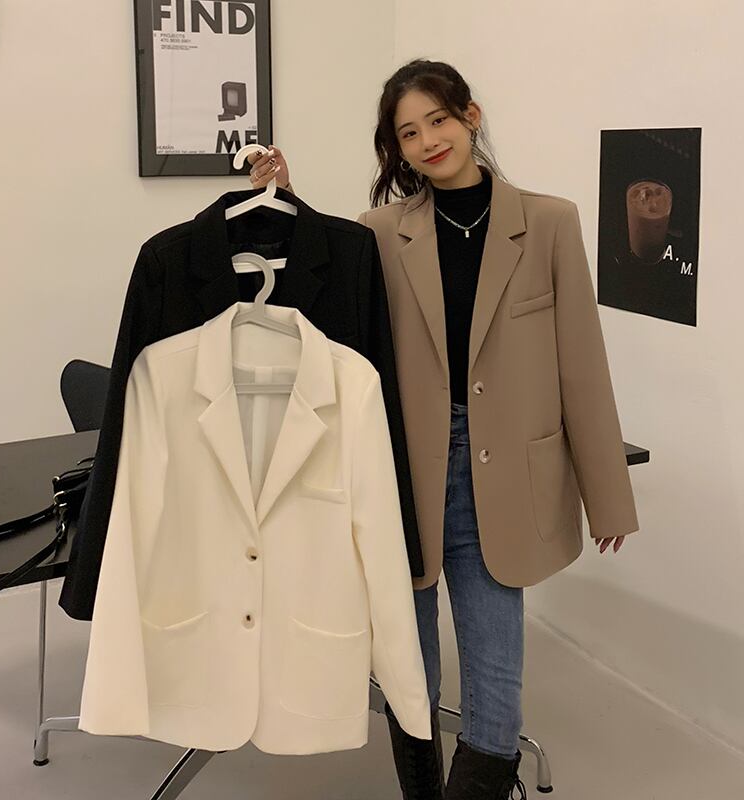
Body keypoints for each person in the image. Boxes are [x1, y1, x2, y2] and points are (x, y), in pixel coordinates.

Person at [246, 59, 638, 800]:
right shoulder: (381, 232)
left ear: (470, 117)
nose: (428, 140)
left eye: (438, 120)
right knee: (407, 661)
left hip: (505, 473)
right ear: (395, 149)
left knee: (494, 667)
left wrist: (608, 496)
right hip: (401, 466)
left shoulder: (549, 221)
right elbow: (324, 289)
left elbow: (581, 364)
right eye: (408, 133)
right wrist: (285, 199)